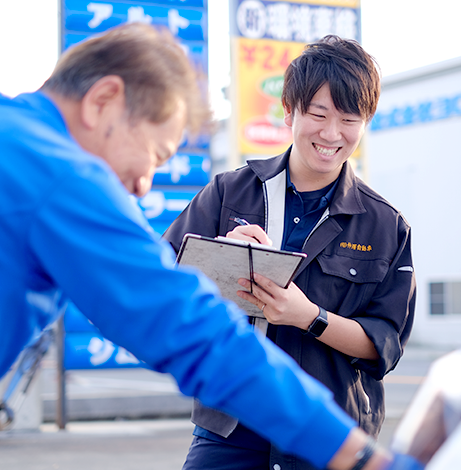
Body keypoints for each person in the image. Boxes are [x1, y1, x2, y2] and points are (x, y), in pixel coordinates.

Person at [0, 24, 420, 470]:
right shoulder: (60, 178)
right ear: (103, 102)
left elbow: (385, 340)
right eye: (155, 153)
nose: (142, 185)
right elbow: (193, 330)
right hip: (234, 433)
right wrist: (360, 457)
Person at [164, 35, 417, 470]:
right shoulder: (229, 193)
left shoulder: (387, 225)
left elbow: (384, 346)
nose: (331, 133)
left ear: (366, 121)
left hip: (330, 435)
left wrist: (309, 317)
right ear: (289, 111)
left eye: (348, 118)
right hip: (230, 425)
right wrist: (220, 258)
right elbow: (162, 279)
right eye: (318, 114)